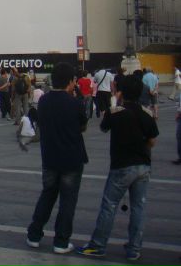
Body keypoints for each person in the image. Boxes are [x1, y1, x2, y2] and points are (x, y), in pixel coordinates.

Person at [76, 74, 159, 260]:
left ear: (121, 91)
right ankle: (134, 249)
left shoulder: (116, 112)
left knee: (109, 206)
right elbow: (152, 141)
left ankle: (98, 245)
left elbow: (103, 128)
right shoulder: (146, 113)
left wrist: (114, 102)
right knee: (138, 207)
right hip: (143, 166)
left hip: (121, 166)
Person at [26, 62, 88, 254]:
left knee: (48, 194)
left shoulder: (44, 101)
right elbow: (83, 126)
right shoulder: (75, 103)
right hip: (71, 158)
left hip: (50, 157)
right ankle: (61, 241)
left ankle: (34, 235)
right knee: (68, 201)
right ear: (71, 81)